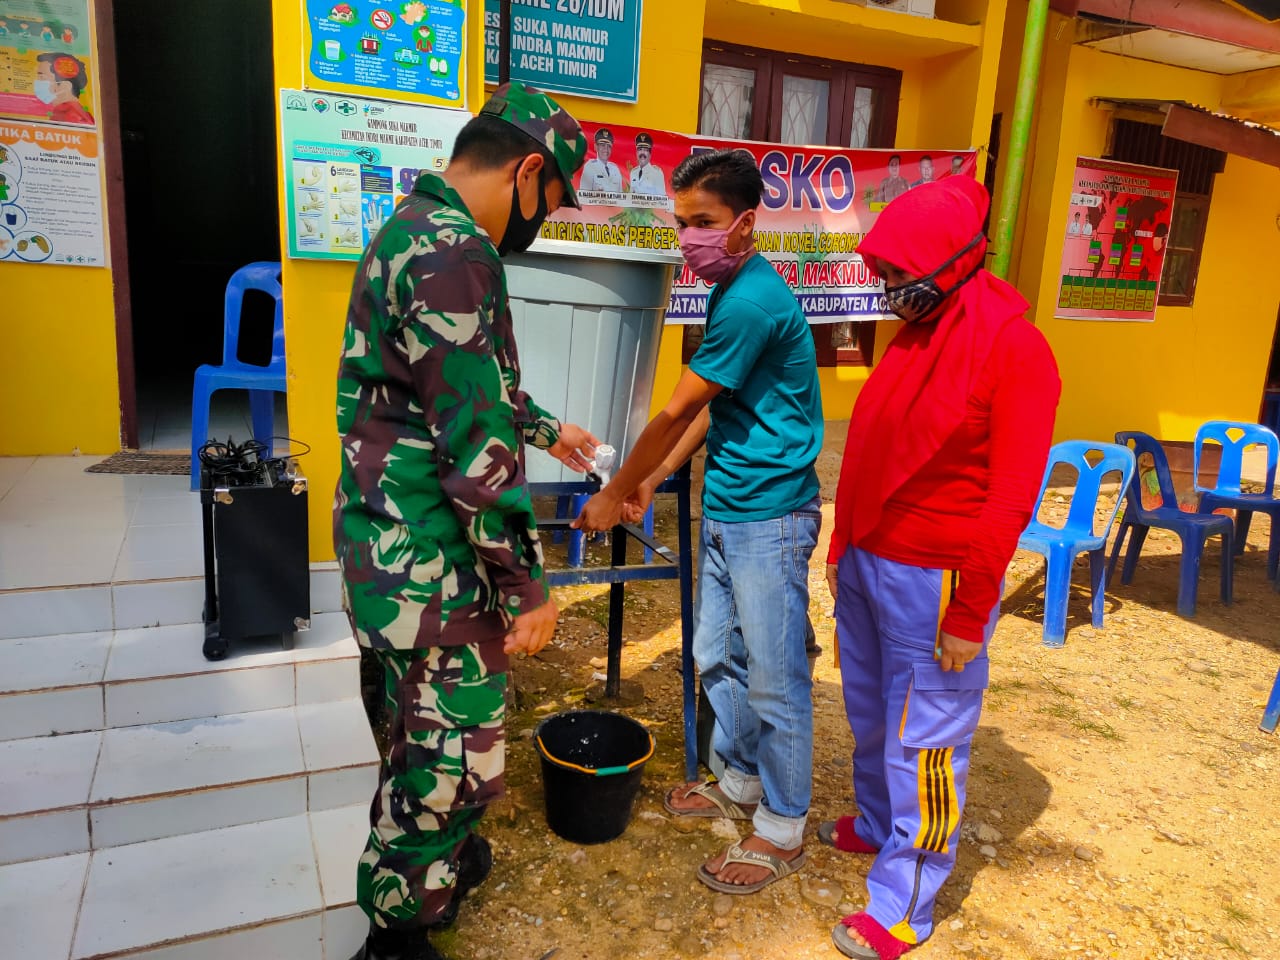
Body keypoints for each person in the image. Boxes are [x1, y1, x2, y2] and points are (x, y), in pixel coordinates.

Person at [334, 82, 596, 960]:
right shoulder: (459, 256)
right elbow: (472, 445)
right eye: (552, 202)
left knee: (411, 728)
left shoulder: (412, 229)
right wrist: (528, 584)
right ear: (528, 172)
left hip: (384, 546)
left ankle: (441, 866)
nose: (544, 223)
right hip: (432, 559)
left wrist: (552, 428)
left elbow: (457, 386)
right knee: (449, 765)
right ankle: (396, 932)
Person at [574, 148, 824, 896]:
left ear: (746, 224)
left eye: (704, 223)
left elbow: (677, 408)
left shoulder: (750, 300)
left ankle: (783, 824)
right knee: (716, 654)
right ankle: (742, 778)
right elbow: (714, 409)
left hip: (770, 516)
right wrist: (650, 479)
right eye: (681, 223)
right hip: (728, 505)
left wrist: (614, 488)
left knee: (776, 679)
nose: (689, 238)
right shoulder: (730, 287)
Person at [822, 177, 1060, 960]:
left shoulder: (1014, 347)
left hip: (937, 576)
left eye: (897, 275)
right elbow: (871, 448)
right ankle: (879, 823)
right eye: (881, 273)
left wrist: (971, 612)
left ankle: (904, 903)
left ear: (952, 263)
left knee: (924, 737)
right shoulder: (919, 333)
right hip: (869, 559)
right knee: (868, 712)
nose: (886, 290)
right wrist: (840, 549)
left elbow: (1011, 493)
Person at [34, 53, 94, 125]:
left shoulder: (67, 115)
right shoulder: (79, 112)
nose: (37, 82)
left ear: (65, 86)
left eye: (42, 78)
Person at [579, 127, 622, 193]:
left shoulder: (615, 169)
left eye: (609, 146)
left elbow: (621, 196)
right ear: (596, 147)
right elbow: (584, 196)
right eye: (602, 145)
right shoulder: (590, 167)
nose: (606, 149)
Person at [629, 131, 666, 196]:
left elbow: (662, 199)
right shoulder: (633, 172)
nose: (642, 153)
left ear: (650, 154)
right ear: (636, 152)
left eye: (646, 150)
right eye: (640, 149)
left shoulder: (656, 172)